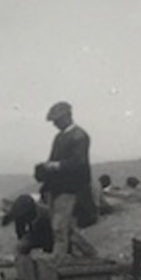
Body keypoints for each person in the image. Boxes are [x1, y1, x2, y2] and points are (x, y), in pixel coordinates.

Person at [34, 101, 97, 261]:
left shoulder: (79, 136)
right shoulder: (60, 137)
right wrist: (47, 170)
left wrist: (55, 166)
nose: (55, 124)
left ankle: (58, 259)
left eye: (57, 120)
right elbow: (54, 159)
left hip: (71, 188)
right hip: (57, 187)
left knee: (59, 226)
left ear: (67, 117)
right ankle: (90, 253)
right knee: (64, 227)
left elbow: (79, 162)